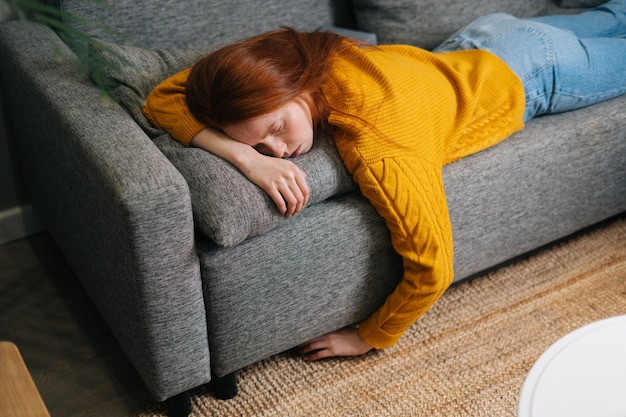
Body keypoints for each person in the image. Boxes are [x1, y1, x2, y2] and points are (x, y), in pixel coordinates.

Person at [143, 1, 626, 361]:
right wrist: (245, 158)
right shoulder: (299, 56)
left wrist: (369, 337)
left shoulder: (379, 145)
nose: (278, 150)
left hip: (539, 70)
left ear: (290, 85)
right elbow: (166, 96)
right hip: (485, 37)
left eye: (274, 130)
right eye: (262, 145)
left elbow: (433, 268)